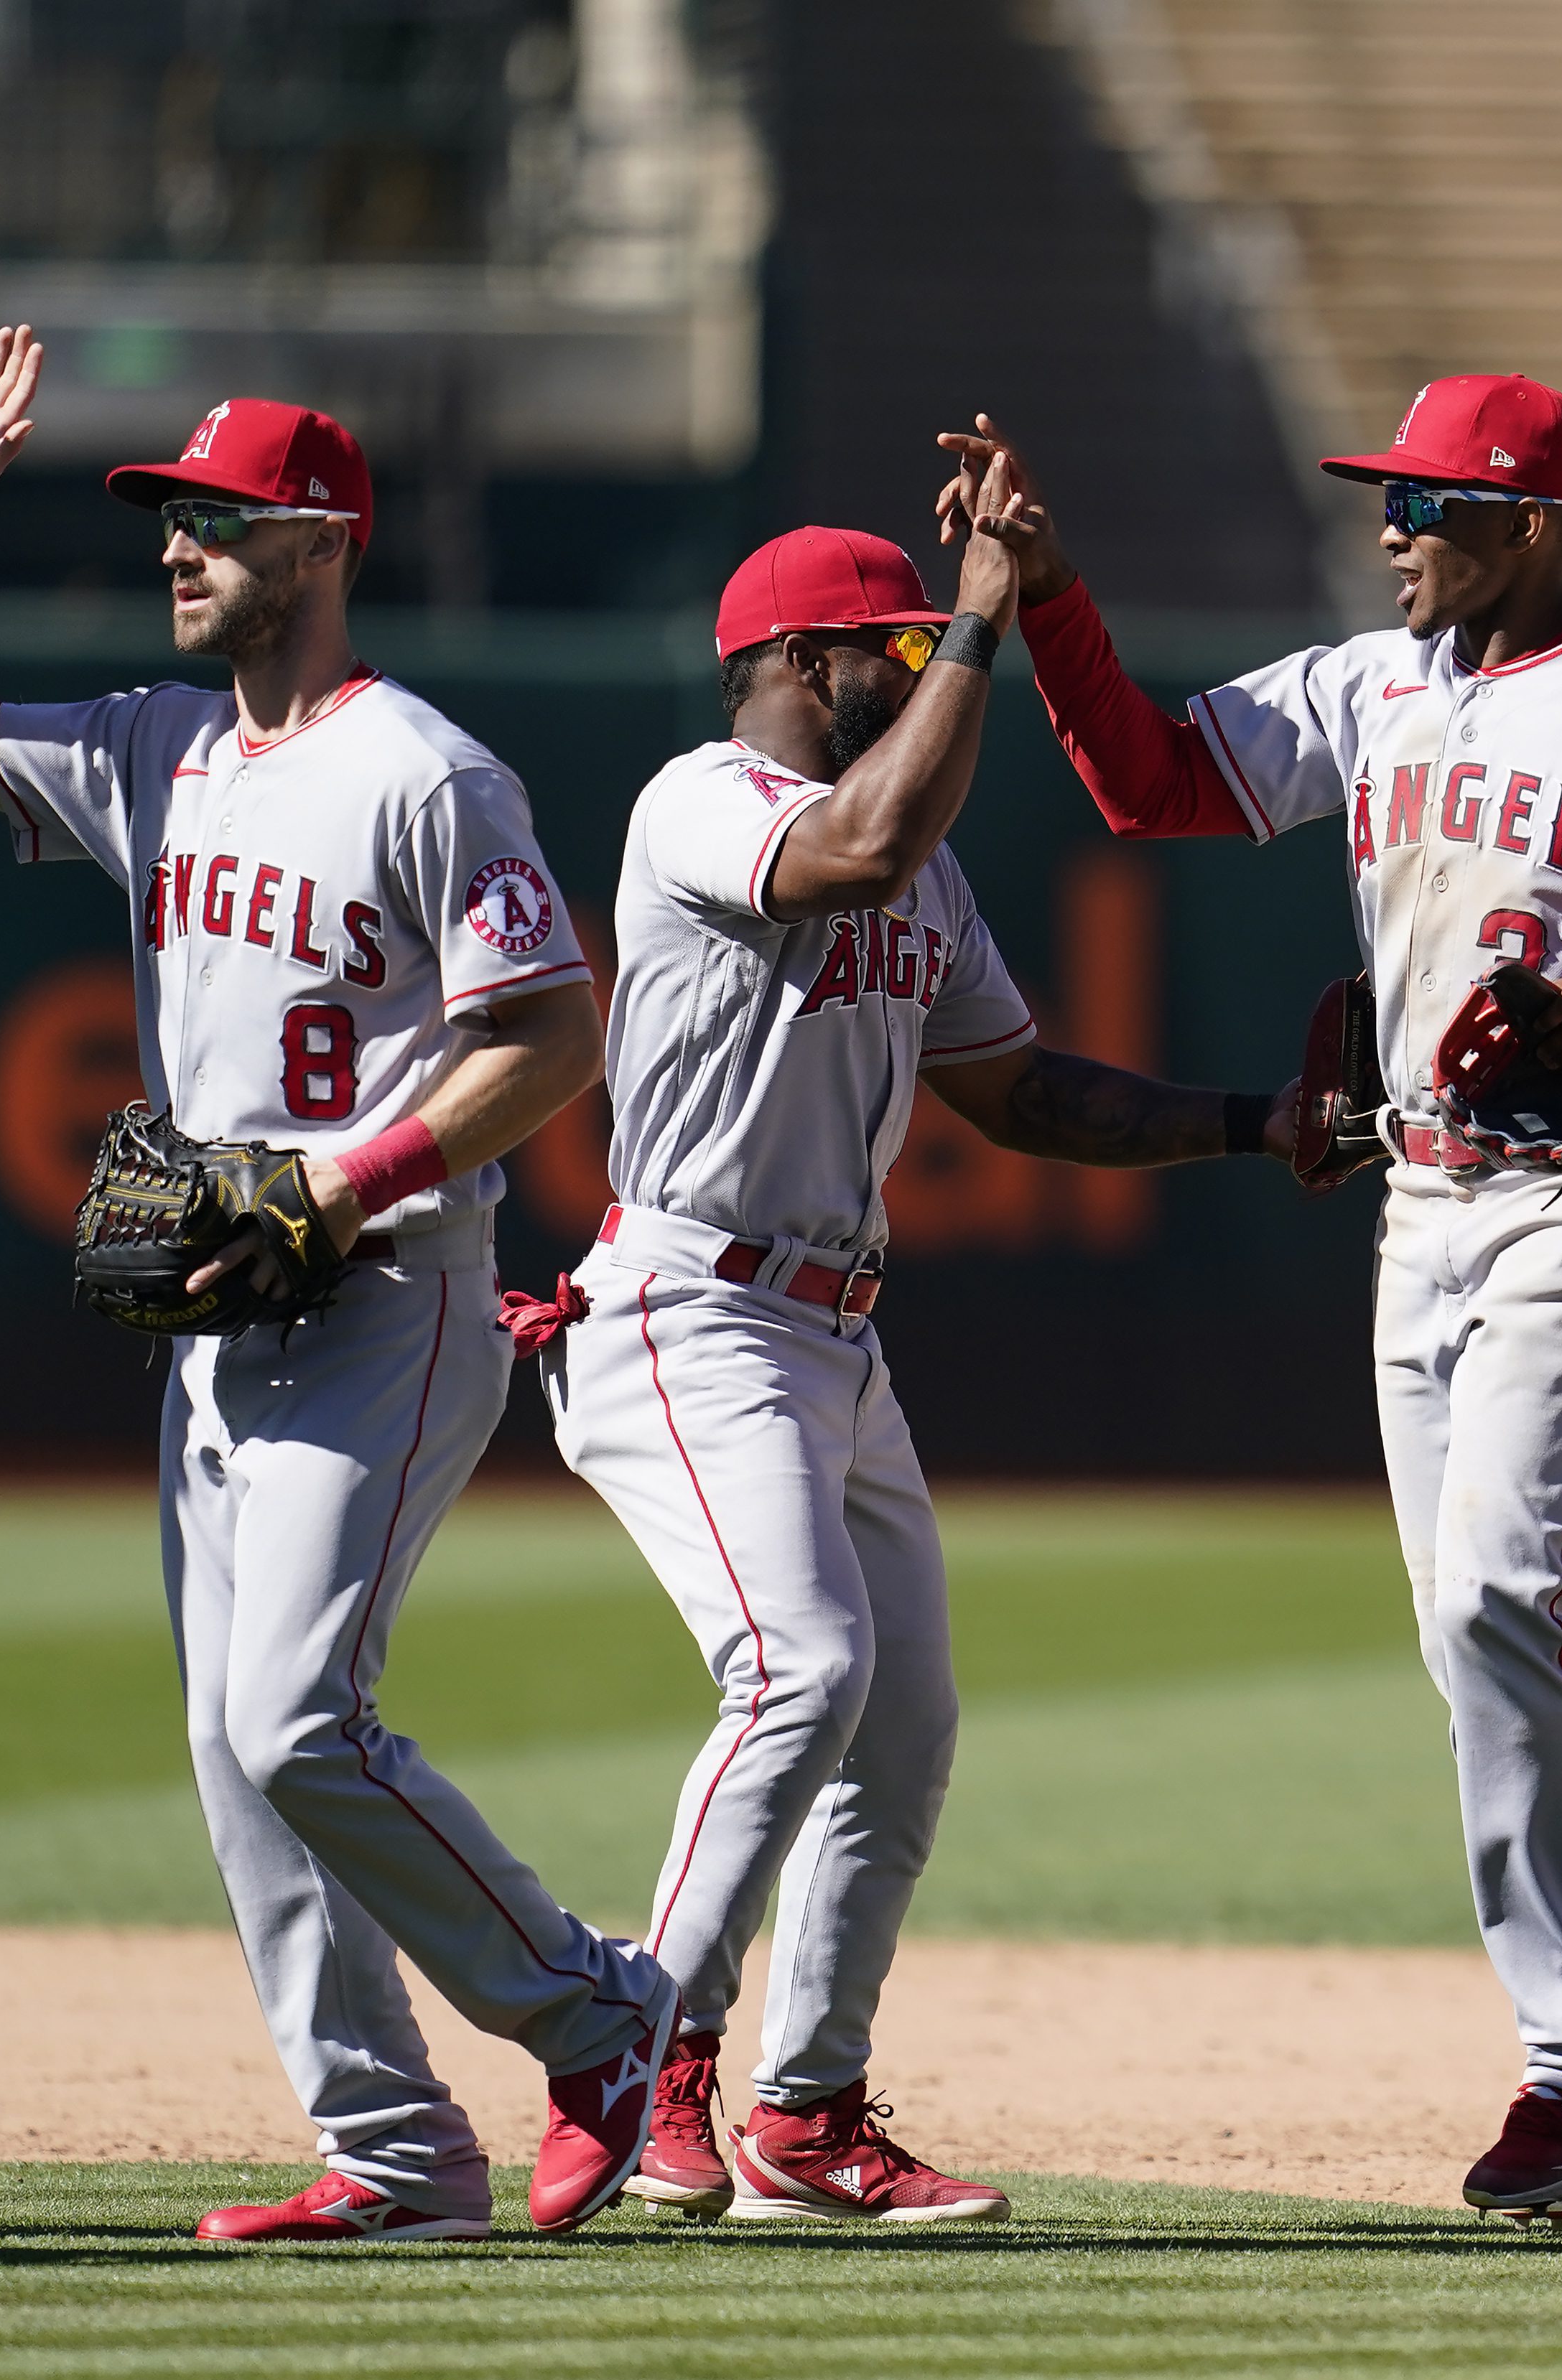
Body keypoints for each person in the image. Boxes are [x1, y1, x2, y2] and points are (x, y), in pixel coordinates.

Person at [974, 374, 1562, 2221]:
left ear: (1532, 523)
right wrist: (1046, 591)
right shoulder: (1371, 687)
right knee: (1463, 1631)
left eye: (1428, 501)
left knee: (1508, 1594)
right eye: (1392, 498)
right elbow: (1150, 778)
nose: (1392, 527)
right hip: (1420, 1200)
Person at [0, 330, 674, 2244]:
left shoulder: (426, 772)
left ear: (320, 542)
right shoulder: (159, 745)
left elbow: (554, 1038)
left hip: (389, 1294)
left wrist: (347, 1179)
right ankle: (395, 2155)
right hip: (216, 1305)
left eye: (217, 517)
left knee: (299, 1717)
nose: (176, 543)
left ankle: (607, 2015)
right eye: (171, 515)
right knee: (241, 1755)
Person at [540, 454, 1297, 2226]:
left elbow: (1021, 1090)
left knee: (904, 1725)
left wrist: (1256, 1120)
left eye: (921, 633)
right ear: (801, 658)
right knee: (799, 1671)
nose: (926, 660)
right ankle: (638, 2051)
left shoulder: (921, 859)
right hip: (692, 1302)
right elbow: (859, 844)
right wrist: (977, 605)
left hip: (834, 1334)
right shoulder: (701, 801)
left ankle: (804, 2113)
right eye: (886, 640)